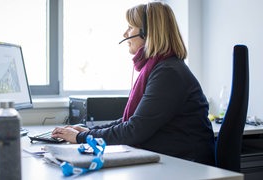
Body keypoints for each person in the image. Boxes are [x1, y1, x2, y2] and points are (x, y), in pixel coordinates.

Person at [52, 1, 215, 166]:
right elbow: (130, 120)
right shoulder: (160, 67)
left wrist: (82, 138)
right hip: (171, 159)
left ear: (147, 33)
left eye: (130, 27)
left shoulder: (168, 73)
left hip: (187, 166)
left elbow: (134, 130)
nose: (125, 34)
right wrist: (90, 132)